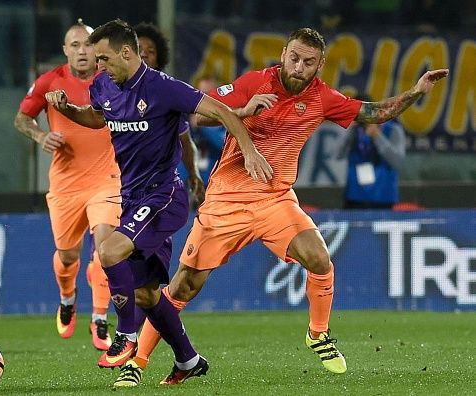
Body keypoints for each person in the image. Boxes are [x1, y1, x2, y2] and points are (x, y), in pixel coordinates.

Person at [132, 27, 449, 382]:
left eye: (308, 62)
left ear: (320, 65)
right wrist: (244, 108)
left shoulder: (323, 98)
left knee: (319, 258)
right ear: (283, 53)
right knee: (183, 285)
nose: (299, 66)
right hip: (228, 199)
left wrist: (416, 92)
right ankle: (138, 361)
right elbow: (200, 116)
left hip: (275, 199)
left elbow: (375, 113)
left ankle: (318, 333)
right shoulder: (255, 82)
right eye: (294, 57)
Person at [44, 19, 272, 388]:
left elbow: (223, 112)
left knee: (109, 252)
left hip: (163, 196)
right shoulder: (105, 85)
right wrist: (68, 108)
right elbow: (96, 117)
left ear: (127, 52)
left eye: (103, 58)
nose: (97, 65)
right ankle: (188, 358)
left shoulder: (164, 89)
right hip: (133, 198)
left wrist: (247, 151)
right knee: (147, 293)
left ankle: (127, 335)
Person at [14, 19, 119, 351]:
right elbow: (21, 118)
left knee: (106, 250)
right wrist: (41, 135)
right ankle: (67, 297)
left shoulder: (111, 80)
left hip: (108, 180)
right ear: (65, 51)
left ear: (96, 48)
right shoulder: (49, 82)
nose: (82, 51)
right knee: (68, 254)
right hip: (67, 185)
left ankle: (100, 319)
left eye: (87, 44)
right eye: (75, 46)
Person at [134, 21, 206, 207]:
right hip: (114, 184)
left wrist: (193, 173)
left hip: (157, 188)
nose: (143, 54)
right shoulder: (111, 90)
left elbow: (185, 140)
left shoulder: (168, 95)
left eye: (151, 51)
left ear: (158, 60)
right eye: (138, 48)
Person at [334, 94, 406, 209]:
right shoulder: (354, 131)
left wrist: (377, 136)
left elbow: (396, 161)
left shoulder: (393, 129)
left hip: (382, 197)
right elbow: (337, 155)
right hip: (354, 196)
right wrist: (348, 129)